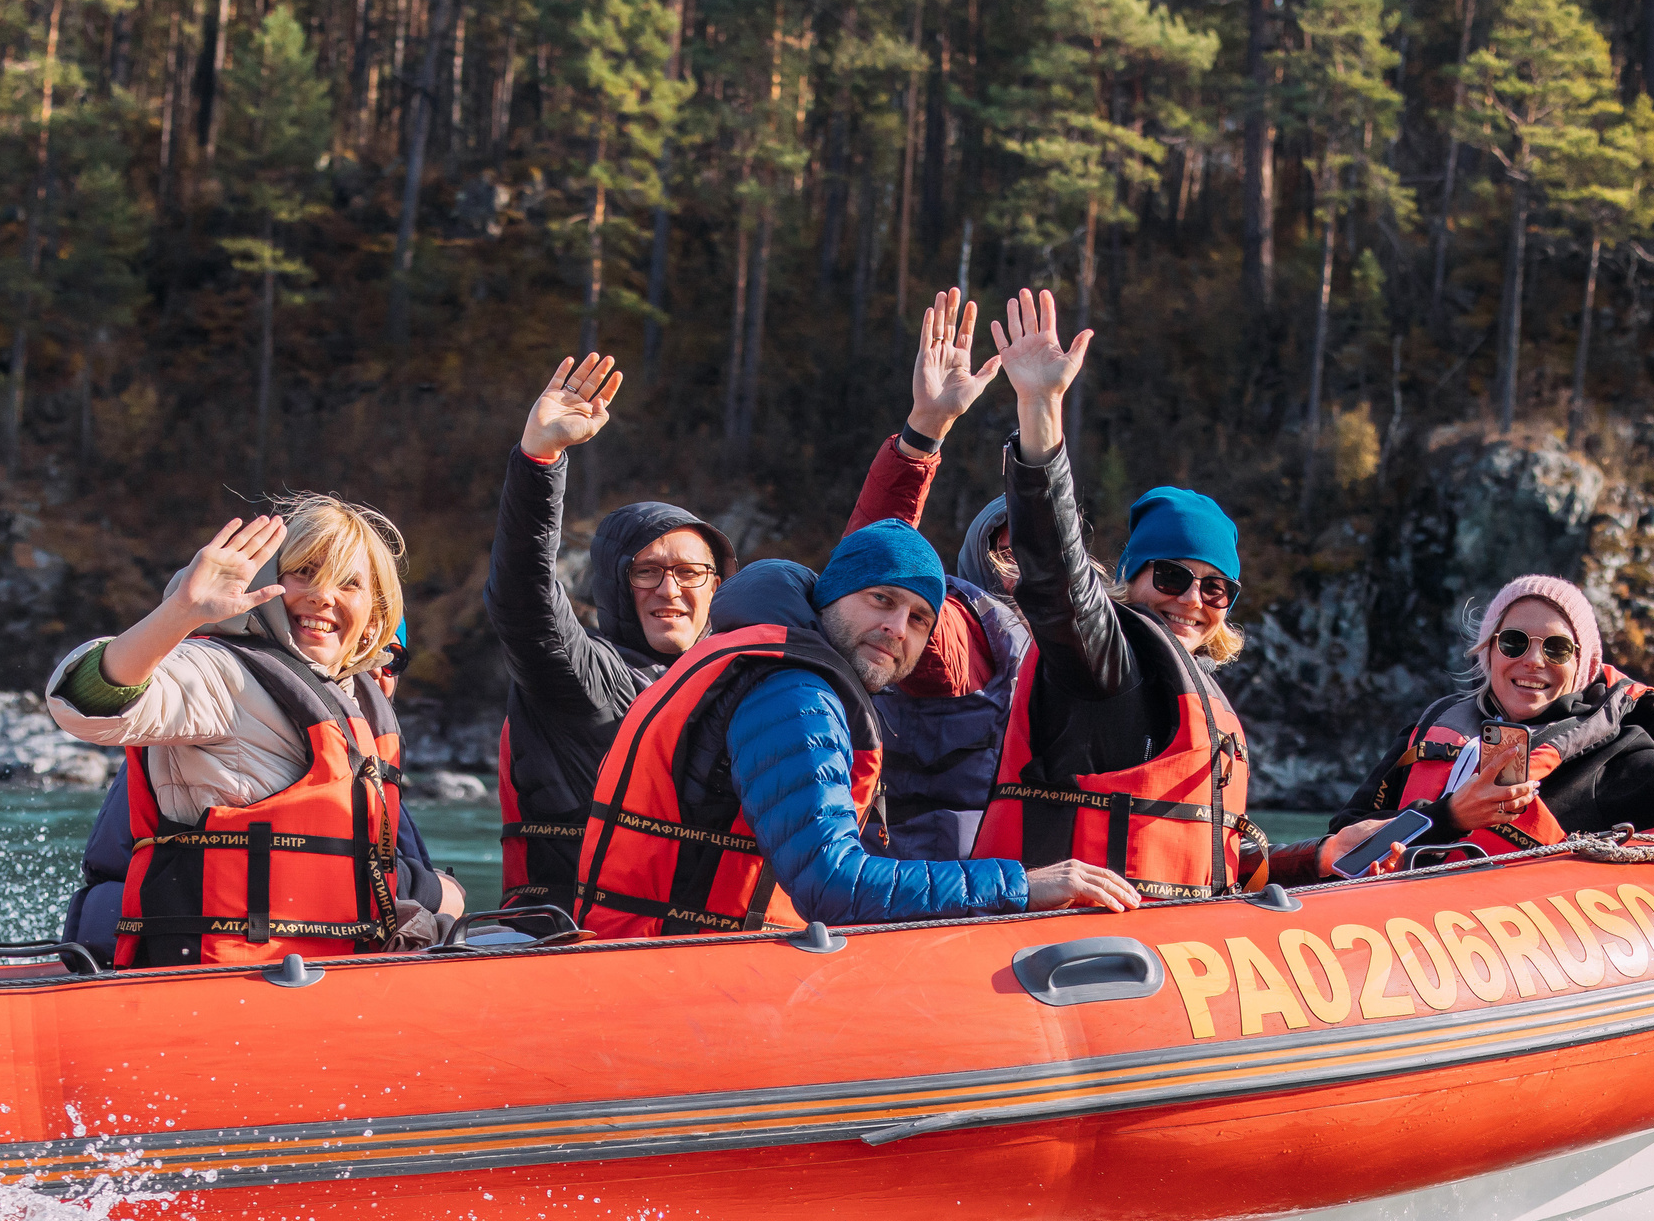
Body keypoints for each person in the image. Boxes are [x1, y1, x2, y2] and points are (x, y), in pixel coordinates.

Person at [973, 289, 1392, 895]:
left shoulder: (1200, 697)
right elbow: (1055, 577)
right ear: (1131, 580)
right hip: (1071, 952)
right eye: (1171, 577)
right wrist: (1041, 409)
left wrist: (1322, 854)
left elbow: (1219, 864)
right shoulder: (1102, 661)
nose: (1192, 598)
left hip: (1171, 950)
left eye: (1216, 588)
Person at [573, 521, 1137, 938]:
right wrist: (1023, 887)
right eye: (880, 599)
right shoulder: (792, 693)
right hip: (664, 967)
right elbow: (832, 887)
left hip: (664, 953)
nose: (895, 628)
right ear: (830, 596)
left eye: (919, 618)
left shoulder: (781, 667)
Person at [44, 496, 462, 964]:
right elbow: (83, 703)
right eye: (304, 572)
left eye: (348, 583)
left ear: (374, 611)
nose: (323, 595)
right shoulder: (222, 672)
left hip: (324, 968)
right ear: (269, 582)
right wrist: (180, 614)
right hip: (223, 975)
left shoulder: (354, 702)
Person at [1325, 573, 1654, 859]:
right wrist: (1448, 817)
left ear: (1585, 666)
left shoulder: (1617, 764)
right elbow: (1345, 836)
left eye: (1557, 648)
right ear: (1489, 652)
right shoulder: (1433, 728)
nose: (1533, 661)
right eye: (1514, 642)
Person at [484, 356, 734, 916]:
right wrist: (539, 461)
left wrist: (920, 439)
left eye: (689, 572)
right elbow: (523, 600)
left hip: (700, 948)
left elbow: (860, 611)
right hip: (577, 939)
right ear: (615, 584)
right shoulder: (583, 678)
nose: (669, 589)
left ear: (716, 586)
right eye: (646, 571)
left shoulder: (734, 687)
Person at [60, 620, 459, 959]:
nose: (376, 672)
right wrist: (438, 891)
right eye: (367, 653)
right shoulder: (239, 713)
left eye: (392, 660)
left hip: (143, 932)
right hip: (166, 943)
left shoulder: (357, 760)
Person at [828, 287, 1031, 859]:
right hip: (939, 900)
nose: (1021, 570)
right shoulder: (966, 633)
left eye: (1041, 552)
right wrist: (923, 432)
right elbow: (877, 564)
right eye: (1006, 550)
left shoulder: (1097, 653)